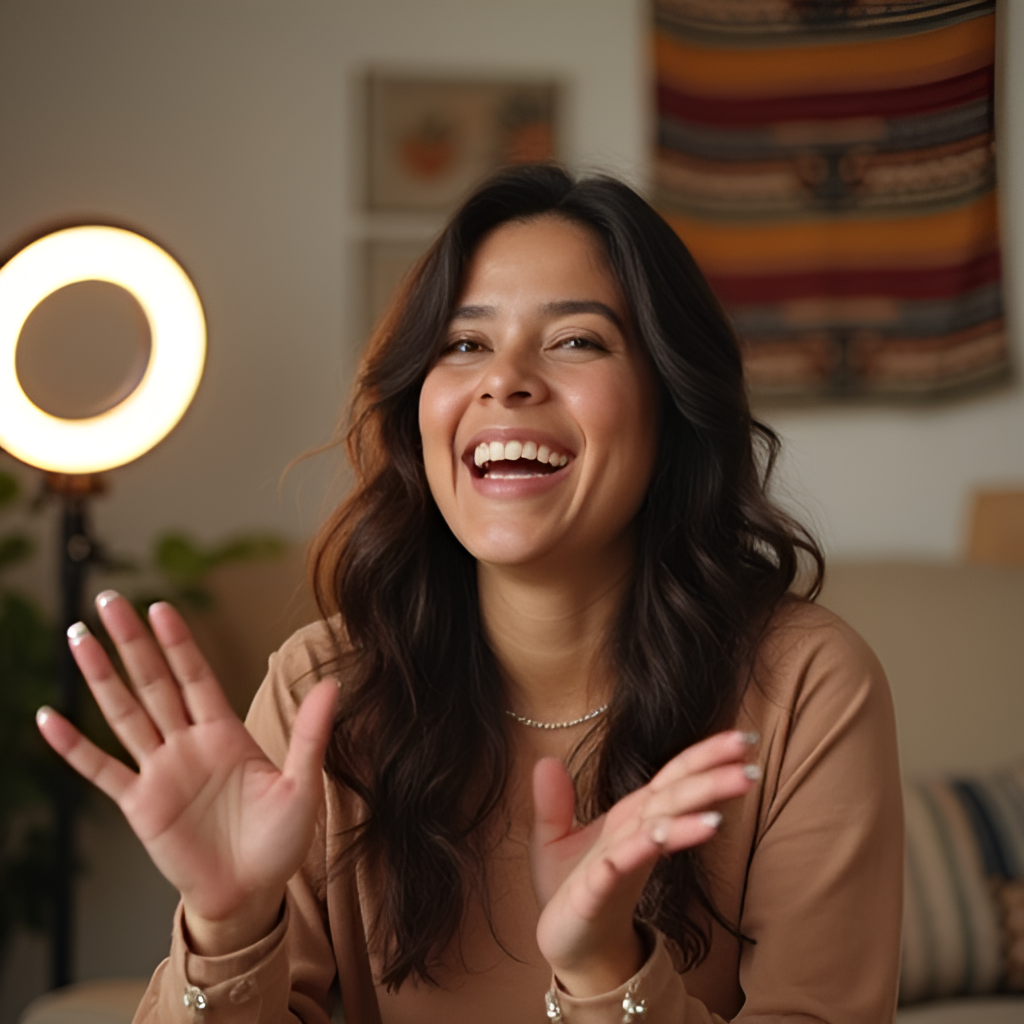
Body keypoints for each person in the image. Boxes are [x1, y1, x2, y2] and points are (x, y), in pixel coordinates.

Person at [37, 165, 903, 1023]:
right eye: (464, 343)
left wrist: (608, 969)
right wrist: (227, 928)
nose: (506, 380)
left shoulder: (805, 685)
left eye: (576, 341)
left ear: (673, 403)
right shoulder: (323, 691)